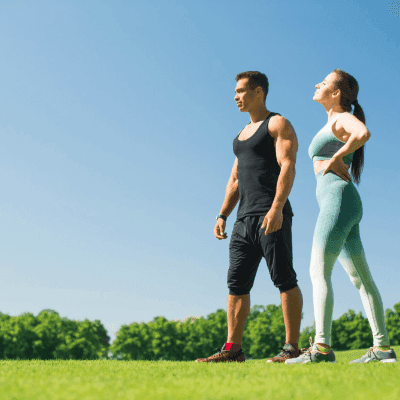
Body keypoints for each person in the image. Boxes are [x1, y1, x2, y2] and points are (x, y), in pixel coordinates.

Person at [286, 69, 398, 365]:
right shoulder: (333, 121)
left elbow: (363, 133)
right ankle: (383, 347)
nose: (317, 84)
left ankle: (321, 348)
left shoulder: (340, 118)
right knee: (361, 279)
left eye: (323, 82)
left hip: (337, 201)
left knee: (317, 270)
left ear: (336, 93)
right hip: (344, 202)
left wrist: (337, 157)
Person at [196, 71, 303, 363]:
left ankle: (291, 347)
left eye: (241, 91)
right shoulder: (241, 136)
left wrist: (277, 207)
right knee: (236, 284)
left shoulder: (277, 123)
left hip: (272, 215)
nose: (235, 97)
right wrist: (222, 215)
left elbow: (288, 165)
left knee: (284, 279)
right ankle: (233, 349)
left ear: (259, 92)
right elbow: (234, 180)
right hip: (243, 220)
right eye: (235, 92)